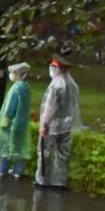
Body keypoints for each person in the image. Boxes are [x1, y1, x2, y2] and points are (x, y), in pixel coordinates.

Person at [35, 55, 82, 188]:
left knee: (45, 152)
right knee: (63, 153)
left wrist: (44, 124)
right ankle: (59, 182)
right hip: (66, 125)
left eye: (53, 67)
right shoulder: (72, 84)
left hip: (53, 125)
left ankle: (42, 180)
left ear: (57, 69)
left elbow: (50, 106)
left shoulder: (56, 84)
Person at [0, 62, 32, 177]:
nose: (11, 75)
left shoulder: (16, 88)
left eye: (13, 73)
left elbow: (11, 107)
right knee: (19, 146)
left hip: (13, 122)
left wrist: (5, 120)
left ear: (18, 74)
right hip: (22, 122)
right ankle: (19, 169)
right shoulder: (26, 87)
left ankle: (3, 168)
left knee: (7, 144)